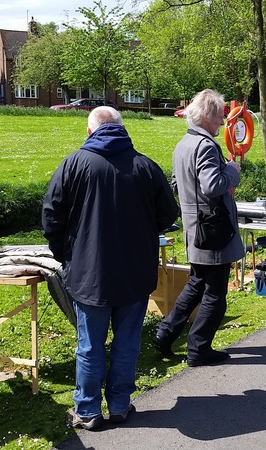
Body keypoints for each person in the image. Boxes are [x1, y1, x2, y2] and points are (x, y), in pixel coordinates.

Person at [42, 106, 179, 431]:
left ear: (90, 132)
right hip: (134, 271)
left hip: (90, 274)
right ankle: (118, 405)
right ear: (121, 129)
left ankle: (88, 411)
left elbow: (51, 216)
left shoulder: (74, 164)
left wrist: (66, 254)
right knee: (127, 342)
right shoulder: (145, 167)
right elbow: (168, 215)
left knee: (90, 344)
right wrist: (146, 233)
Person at [154, 89, 245, 366]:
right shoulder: (205, 146)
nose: (222, 122)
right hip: (213, 231)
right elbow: (212, 185)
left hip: (195, 229)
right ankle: (199, 348)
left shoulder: (183, 144)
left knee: (196, 284)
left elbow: (175, 183)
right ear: (206, 116)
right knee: (215, 293)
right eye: (219, 116)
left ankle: (165, 334)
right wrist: (232, 171)